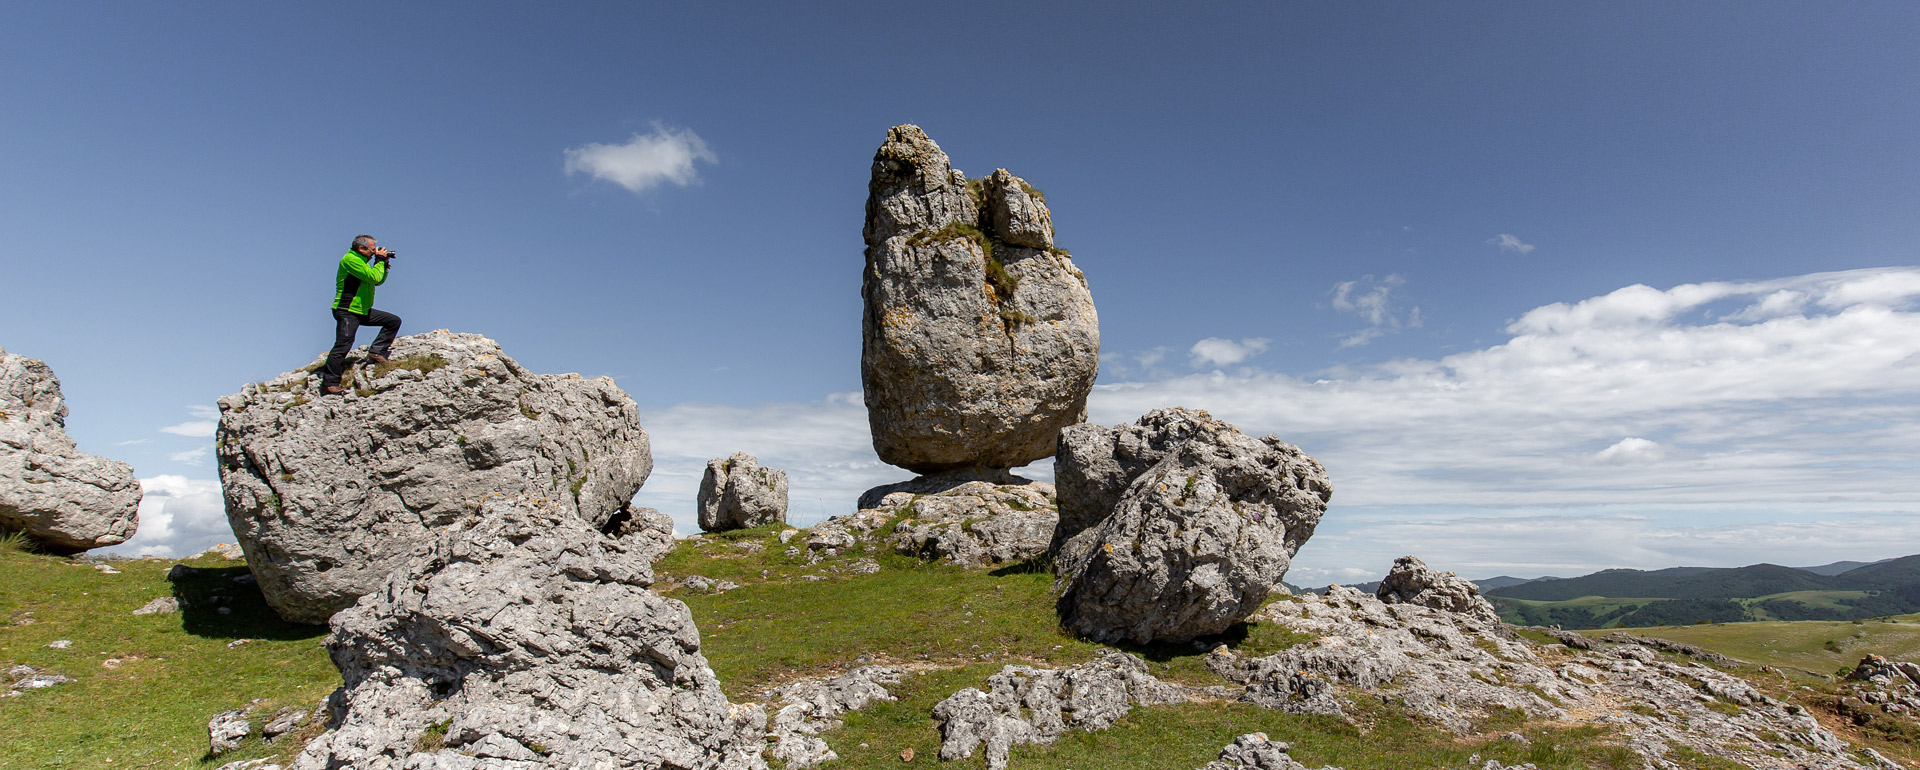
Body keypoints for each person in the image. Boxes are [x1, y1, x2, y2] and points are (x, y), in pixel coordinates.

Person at [321, 234, 402, 396]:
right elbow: (373, 277)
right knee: (343, 344)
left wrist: (384, 264)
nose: (374, 252)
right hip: (347, 310)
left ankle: (376, 352)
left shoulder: (362, 262)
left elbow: (378, 280)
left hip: (362, 310)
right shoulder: (351, 260)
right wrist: (378, 261)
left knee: (393, 321)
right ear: (361, 248)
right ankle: (329, 383)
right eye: (372, 249)